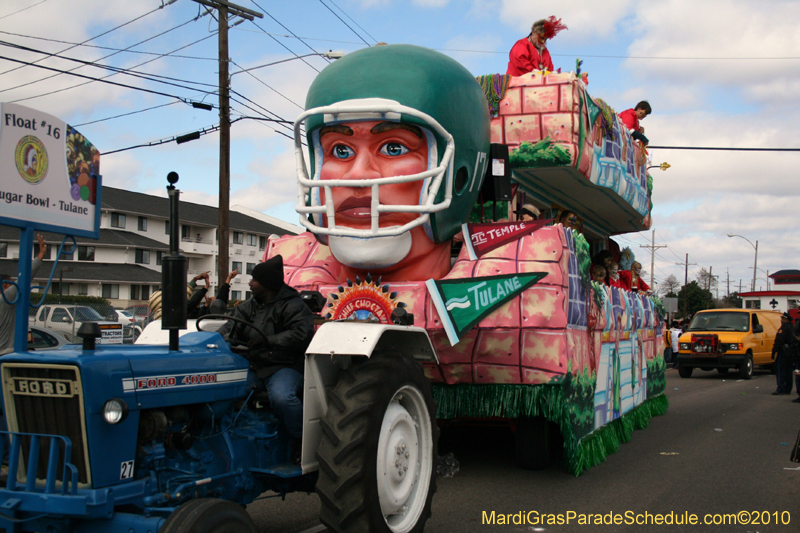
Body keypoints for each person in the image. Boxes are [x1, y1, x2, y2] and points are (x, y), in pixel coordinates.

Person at [295, 44, 491, 282]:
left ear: (462, 175)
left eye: (393, 148)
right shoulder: (290, 285)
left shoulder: (504, 294)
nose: (357, 175)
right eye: (340, 150)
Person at [218, 255, 315, 447]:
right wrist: (213, 340)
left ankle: (301, 442)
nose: (250, 283)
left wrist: (267, 341)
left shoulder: (293, 305)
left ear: (267, 284)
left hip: (285, 366)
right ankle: (235, 438)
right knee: (223, 389)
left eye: (255, 280)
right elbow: (230, 328)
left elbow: (301, 333)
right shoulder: (248, 307)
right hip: (256, 366)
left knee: (282, 398)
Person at [1, 234, 47, 354]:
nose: (14, 287)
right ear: (4, 285)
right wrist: (40, 255)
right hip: (6, 353)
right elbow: (23, 279)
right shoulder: (5, 298)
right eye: (11, 284)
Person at [772, 312, 796, 395]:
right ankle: (788, 388)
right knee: (789, 371)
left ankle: (781, 388)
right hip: (791, 351)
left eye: (783, 319)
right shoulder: (792, 327)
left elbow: (779, 340)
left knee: (780, 370)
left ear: (786, 319)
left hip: (783, 351)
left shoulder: (784, 328)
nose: (781, 320)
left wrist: (774, 350)